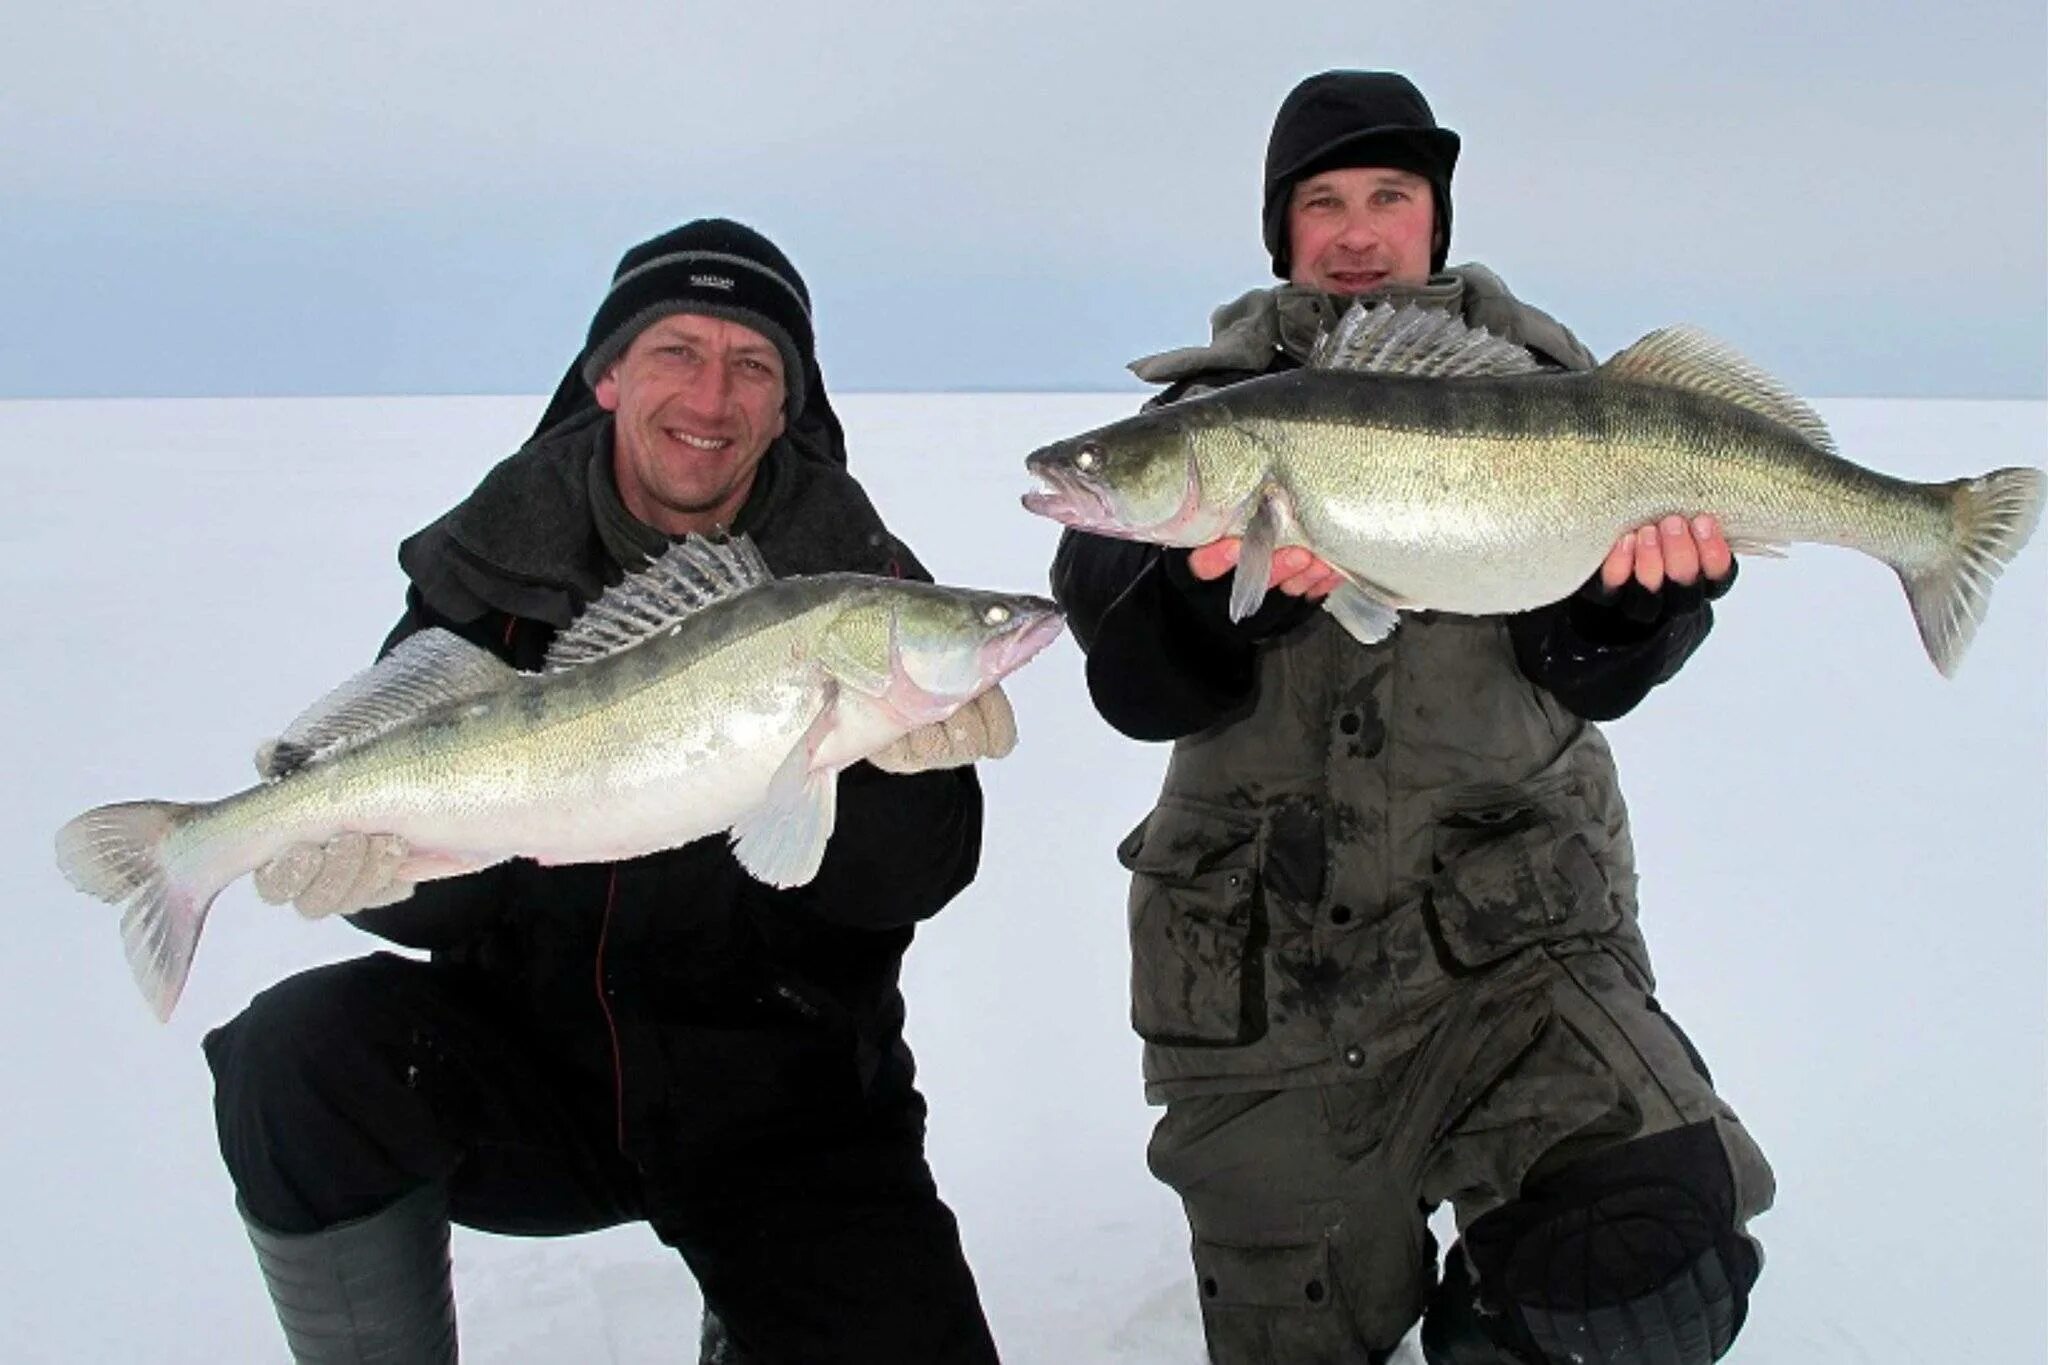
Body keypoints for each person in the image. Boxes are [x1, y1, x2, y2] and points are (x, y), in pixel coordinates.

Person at [1049, 72, 1775, 1365]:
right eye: (1321, 202)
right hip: (1266, 995)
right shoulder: (1204, 421)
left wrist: (1626, 611)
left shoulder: (1551, 397)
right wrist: (1216, 605)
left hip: (1516, 955)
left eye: (1390, 195)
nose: (1356, 231)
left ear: (1435, 221)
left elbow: (1587, 668)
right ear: (1282, 233)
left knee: (1643, 1273)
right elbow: (1127, 670)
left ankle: (1502, 1318)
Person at [203, 218, 1010, 1365]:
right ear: (607, 374)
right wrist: (367, 870)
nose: (712, 396)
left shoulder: (858, 586)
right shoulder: (490, 565)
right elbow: (449, 896)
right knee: (302, 1055)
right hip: (537, 1073)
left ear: (789, 405)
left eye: (752, 366)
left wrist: (900, 773)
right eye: (677, 350)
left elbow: (910, 883)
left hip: (786, 1104)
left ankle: (758, 1312)